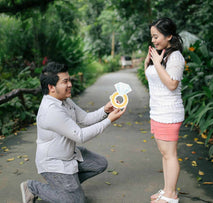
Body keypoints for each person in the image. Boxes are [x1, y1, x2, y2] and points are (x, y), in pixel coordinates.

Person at [20, 61, 126, 203]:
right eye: (65, 81)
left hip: (70, 154)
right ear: (51, 87)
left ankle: (66, 189)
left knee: (99, 163)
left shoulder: (64, 100)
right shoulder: (51, 110)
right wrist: (109, 121)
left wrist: (105, 110)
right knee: (76, 201)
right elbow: (80, 136)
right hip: (54, 163)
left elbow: (86, 118)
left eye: (69, 80)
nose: (70, 84)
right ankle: (33, 187)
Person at [144, 17, 185, 203]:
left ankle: (171, 196)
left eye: (156, 36)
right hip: (158, 111)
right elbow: (153, 79)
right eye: (152, 37)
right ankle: (168, 190)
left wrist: (158, 64)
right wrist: (149, 61)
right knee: (165, 154)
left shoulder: (174, 56)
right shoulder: (160, 55)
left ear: (169, 36)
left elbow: (171, 84)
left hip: (169, 112)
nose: (153, 40)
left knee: (170, 154)